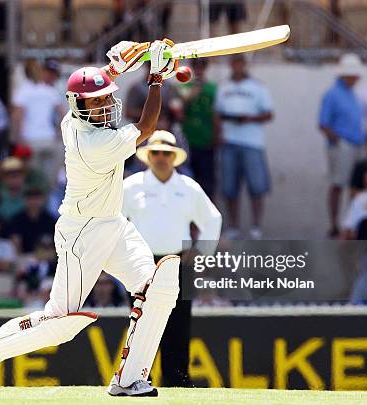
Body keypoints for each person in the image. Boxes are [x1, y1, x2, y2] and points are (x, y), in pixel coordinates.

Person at [0, 39, 180, 397]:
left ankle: (129, 379)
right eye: (98, 101)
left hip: (113, 224)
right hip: (83, 233)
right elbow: (148, 126)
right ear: (80, 107)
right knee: (60, 323)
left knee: (160, 289)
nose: (106, 105)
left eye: (108, 97)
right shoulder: (94, 144)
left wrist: (117, 66)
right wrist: (155, 78)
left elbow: (94, 83)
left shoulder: (69, 118)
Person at [123, 130, 222, 387]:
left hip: (178, 262)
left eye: (166, 153)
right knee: (141, 324)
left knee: (178, 323)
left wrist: (200, 250)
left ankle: (176, 380)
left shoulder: (188, 188)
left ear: (174, 157)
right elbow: (113, 221)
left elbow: (213, 219)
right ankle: (136, 379)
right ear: (148, 156)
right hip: (142, 264)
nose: (161, 158)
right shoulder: (131, 186)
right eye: (155, 152)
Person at [214, 54, 273, 240]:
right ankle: (233, 226)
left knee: (257, 186)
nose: (237, 66)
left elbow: (269, 114)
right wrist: (219, 132)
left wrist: (250, 118)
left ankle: (256, 226)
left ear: (245, 65)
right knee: (230, 187)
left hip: (252, 142)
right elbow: (217, 113)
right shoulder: (223, 87)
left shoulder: (258, 87)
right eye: (234, 62)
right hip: (229, 141)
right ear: (231, 65)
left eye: (240, 62)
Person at [319, 54, 365, 237]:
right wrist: (337, 141)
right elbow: (323, 123)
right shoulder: (332, 94)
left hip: (357, 144)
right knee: (338, 184)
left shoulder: (352, 93)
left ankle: (351, 223)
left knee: (355, 186)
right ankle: (334, 224)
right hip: (343, 144)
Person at [11, 59, 64, 177]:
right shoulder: (49, 90)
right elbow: (63, 115)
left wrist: (17, 138)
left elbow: (17, 116)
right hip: (49, 139)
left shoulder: (23, 90)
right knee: (47, 179)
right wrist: (58, 133)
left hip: (30, 140)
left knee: (33, 179)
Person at [177, 59, 217, 197]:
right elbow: (178, 112)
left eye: (202, 65)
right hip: (187, 141)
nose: (199, 68)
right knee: (188, 179)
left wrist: (216, 136)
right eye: (196, 65)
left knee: (207, 181)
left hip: (207, 139)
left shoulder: (213, 88)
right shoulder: (184, 87)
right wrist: (191, 94)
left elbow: (216, 114)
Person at [8, 188, 55, 254]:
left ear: (43, 200)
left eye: (36, 199)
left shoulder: (50, 220)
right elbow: (15, 242)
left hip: (45, 255)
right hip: (24, 257)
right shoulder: (17, 219)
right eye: (30, 199)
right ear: (25, 200)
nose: (33, 202)